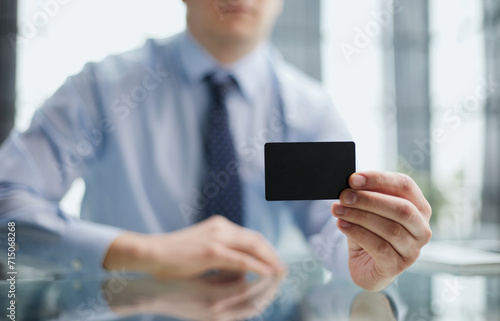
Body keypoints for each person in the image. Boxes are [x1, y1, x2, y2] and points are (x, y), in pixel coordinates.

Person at [0, 0, 431, 291]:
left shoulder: (310, 110)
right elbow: (7, 212)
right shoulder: (99, 90)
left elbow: (332, 232)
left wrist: (369, 257)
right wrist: (145, 253)